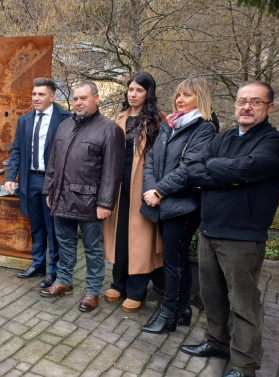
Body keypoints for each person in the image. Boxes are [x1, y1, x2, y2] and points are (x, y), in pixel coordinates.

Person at [182, 81, 279, 377]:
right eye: (242, 101)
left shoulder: (276, 143)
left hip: (243, 236)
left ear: (269, 107)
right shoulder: (224, 137)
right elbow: (192, 167)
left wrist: (215, 168)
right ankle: (217, 343)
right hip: (209, 229)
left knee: (244, 304)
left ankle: (244, 365)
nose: (246, 107)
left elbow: (250, 168)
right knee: (212, 295)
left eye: (255, 102)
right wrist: (227, 171)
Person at [140, 77, 218, 333]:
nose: (180, 100)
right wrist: (151, 189)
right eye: (178, 95)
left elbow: (189, 168)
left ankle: (169, 313)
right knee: (176, 260)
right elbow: (151, 160)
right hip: (163, 203)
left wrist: (159, 191)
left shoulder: (204, 128)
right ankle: (182, 309)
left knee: (174, 262)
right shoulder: (169, 124)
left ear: (201, 98)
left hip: (183, 207)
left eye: (187, 95)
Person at [42, 81, 125, 313]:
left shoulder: (110, 129)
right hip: (61, 197)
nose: (78, 102)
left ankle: (92, 291)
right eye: (76, 98)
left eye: (83, 98)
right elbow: (53, 161)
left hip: (90, 202)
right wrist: (49, 189)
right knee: (65, 243)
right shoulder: (64, 126)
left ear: (96, 99)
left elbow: (113, 171)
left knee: (92, 249)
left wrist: (105, 203)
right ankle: (64, 281)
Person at [102, 72, 164, 313]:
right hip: (119, 186)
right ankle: (118, 283)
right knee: (120, 235)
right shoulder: (120, 117)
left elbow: (162, 158)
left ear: (148, 93)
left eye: (139, 90)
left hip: (144, 185)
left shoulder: (159, 120)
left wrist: (157, 189)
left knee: (141, 239)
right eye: (130, 89)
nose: (133, 94)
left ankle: (137, 290)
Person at [5, 77, 71, 287]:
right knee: (36, 225)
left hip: (52, 182)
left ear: (52, 96)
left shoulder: (65, 118)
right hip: (30, 180)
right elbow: (16, 150)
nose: (36, 98)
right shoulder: (25, 120)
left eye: (41, 94)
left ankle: (54, 270)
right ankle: (38, 263)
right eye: (34, 94)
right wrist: (10, 177)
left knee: (53, 228)